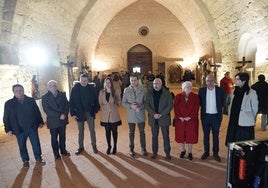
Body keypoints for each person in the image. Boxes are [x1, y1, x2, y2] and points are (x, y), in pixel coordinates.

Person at [3, 84, 45, 168]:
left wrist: (40, 121)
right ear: (13, 92)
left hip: (32, 127)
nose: (19, 92)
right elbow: (6, 117)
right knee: (22, 145)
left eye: (20, 90)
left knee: (36, 144)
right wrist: (8, 129)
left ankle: (38, 158)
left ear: (23, 90)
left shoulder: (30, 100)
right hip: (19, 129)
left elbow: (37, 111)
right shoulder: (9, 103)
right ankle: (25, 160)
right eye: (16, 90)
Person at [69, 74, 99, 155]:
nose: (84, 82)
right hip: (79, 113)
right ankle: (81, 147)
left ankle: (94, 146)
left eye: (85, 80)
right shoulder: (75, 89)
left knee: (92, 130)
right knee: (80, 131)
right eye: (82, 80)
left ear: (88, 80)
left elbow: (96, 99)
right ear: (79, 80)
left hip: (89, 112)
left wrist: (96, 109)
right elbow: (71, 102)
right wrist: (72, 114)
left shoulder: (91, 88)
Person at [225, 72, 258, 145]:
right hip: (233, 120)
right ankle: (233, 155)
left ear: (244, 81)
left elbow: (255, 109)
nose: (235, 81)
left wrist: (248, 116)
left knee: (243, 143)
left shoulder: (252, 93)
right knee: (233, 141)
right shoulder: (234, 91)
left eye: (237, 79)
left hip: (245, 123)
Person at [145, 78, 173, 160]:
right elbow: (146, 104)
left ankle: (167, 153)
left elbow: (170, 105)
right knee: (154, 136)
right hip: (153, 118)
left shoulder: (167, 93)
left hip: (164, 118)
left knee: (165, 136)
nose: (155, 85)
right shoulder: (149, 93)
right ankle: (154, 152)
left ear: (161, 84)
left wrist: (161, 114)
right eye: (154, 83)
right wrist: (153, 114)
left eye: (157, 83)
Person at [198, 74, 224, 162]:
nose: (210, 83)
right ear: (205, 82)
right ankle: (206, 152)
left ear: (214, 81)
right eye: (208, 81)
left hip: (216, 116)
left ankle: (215, 153)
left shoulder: (220, 90)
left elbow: (223, 103)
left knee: (215, 136)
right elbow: (200, 103)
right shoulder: (201, 90)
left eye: (212, 80)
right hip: (205, 116)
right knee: (206, 135)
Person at [42, 80, 70, 160]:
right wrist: (59, 115)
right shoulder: (45, 97)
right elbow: (46, 110)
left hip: (62, 120)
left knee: (62, 136)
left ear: (57, 86)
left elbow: (67, 105)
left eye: (54, 85)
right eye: (51, 85)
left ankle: (63, 150)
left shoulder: (62, 94)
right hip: (53, 121)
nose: (53, 87)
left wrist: (64, 114)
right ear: (48, 87)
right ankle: (56, 153)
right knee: (54, 138)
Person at [122, 74, 148, 157]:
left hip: (140, 114)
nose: (133, 82)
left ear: (138, 80)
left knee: (142, 132)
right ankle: (131, 149)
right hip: (131, 115)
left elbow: (146, 102)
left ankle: (143, 148)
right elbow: (123, 102)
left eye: (135, 80)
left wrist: (140, 107)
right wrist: (131, 106)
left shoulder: (143, 90)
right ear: (130, 81)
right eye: (132, 80)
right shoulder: (126, 90)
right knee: (131, 133)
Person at [174, 81, 199, 160]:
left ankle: (190, 152)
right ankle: (182, 150)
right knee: (181, 135)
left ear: (192, 88)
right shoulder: (178, 96)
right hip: (180, 120)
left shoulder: (196, 97)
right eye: (186, 87)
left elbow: (196, 108)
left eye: (189, 86)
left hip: (191, 120)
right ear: (183, 88)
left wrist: (190, 117)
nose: (188, 88)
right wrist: (179, 116)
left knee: (191, 135)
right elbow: (176, 108)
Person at [99, 77, 122, 155]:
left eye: (109, 82)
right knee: (107, 131)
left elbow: (119, 103)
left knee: (114, 131)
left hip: (114, 114)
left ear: (111, 83)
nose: (108, 84)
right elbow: (100, 103)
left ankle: (115, 146)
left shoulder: (116, 91)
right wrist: (105, 108)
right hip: (105, 115)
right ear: (104, 83)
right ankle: (109, 146)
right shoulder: (101, 92)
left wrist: (116, 101)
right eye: (106, 82)